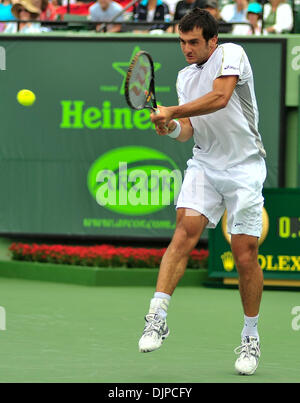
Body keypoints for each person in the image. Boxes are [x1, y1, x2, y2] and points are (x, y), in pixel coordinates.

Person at [138, 8, 267, 376]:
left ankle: (250, 336)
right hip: (205, 165)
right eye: (181, 42)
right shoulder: (183, 77)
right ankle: (157, 315)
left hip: (244, 168)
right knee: (183, 232)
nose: (187, 49)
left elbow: (220, 98)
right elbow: (189, 130)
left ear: (212, 40)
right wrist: (171, 126)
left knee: (244, 256)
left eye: (193, 42)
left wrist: (173, 110)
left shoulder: (232, 54)